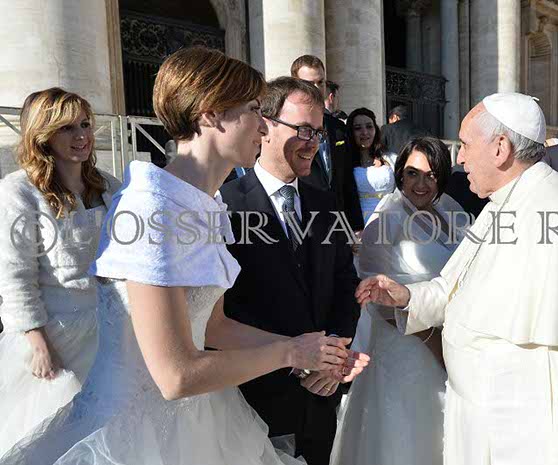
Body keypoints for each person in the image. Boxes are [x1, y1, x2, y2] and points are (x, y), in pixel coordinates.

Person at [0, 47, 367, 465]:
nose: (264, 127)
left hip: (204, 419)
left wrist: (315, 351)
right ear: (210, 115)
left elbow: (214, 327)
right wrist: (290, 354)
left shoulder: (207, 205)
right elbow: (174, 376)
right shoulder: (150, 208)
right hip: (135, 437)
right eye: (253, 110)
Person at [356, 92, 558, 465]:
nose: (460, 159)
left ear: (500, 148)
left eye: (466, 145)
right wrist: (407, 297)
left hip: (523, 442)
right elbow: (453, 287)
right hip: (480, 431)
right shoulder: (499, 205)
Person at [220, 76, 363, 465]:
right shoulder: (225, 205)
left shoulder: (325, 203)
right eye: (302, 129)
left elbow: (345, 283)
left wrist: (332, 357)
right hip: (254, 399)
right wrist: (295, 361)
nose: (313, 141)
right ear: (264, 125)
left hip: (321, 396)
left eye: (318, 132)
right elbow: (225, 307)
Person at [0, 88, 121, 456]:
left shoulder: (108, 186)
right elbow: (14, 275)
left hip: (111, 331)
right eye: (67, 128)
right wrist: (36, 342)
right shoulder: (18, 192)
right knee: (52, 442)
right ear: (43, 135)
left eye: (85, 124)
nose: (81, 135)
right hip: (57, 338)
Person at [331, 137, 465, 465]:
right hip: (406, 350)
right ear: (399, 173)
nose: (421, 184)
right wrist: (433, 343)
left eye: (431, 175)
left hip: (453, 345)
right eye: (412, 173)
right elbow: (376, 298)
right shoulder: (385, 219)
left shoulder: (451, 210)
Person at [291, 55, 358, 226]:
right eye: (309, 84)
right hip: (303, 222)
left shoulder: (338, 128)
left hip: (338, 222)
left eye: (320, 82)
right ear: (295, 85)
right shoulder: (286, 128)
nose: (316, 89)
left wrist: (356, 224)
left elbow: (347, 180)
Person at [347, 107, 397, 228]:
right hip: (358, 224)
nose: (365, 132)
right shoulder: (345, 162)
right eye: (358, 128)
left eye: (369, 127)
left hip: (391, 220)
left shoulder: (391, 158)